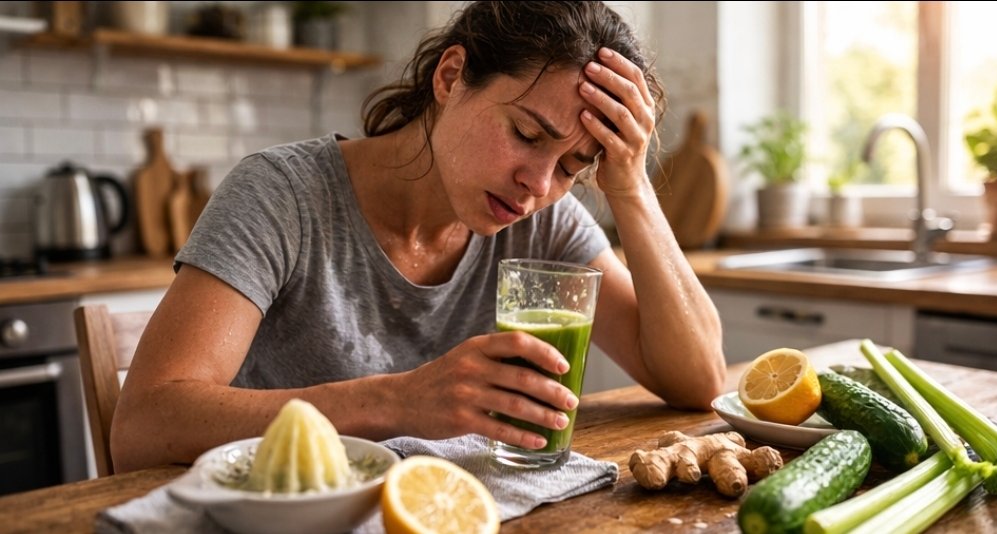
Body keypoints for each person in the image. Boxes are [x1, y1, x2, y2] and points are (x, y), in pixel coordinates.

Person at [111, 1, 725, 473]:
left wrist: (631, 187)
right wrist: (398, 400)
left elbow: (699, 379)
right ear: (451, 76)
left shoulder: (539, 219)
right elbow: (141, 427)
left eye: (572, 166)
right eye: (527, 134)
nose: (537, 182)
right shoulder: (283, 195)